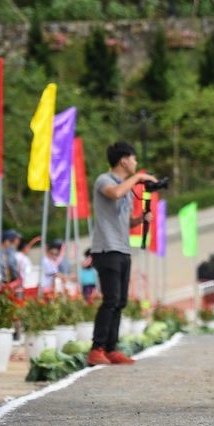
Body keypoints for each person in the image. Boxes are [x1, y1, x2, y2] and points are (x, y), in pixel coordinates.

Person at [87, 140, 158, 367]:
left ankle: (110, 349)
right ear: (124, 161)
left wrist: (140, 220)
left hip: (122, 249)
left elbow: (124, 221)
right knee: (110, 300)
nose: (136, 163)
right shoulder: (104, 180)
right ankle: (96, 348)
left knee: (119, 301)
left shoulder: (125, 188)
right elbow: (115, 193)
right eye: (134, 159)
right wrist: (138, 178)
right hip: (106, 249)